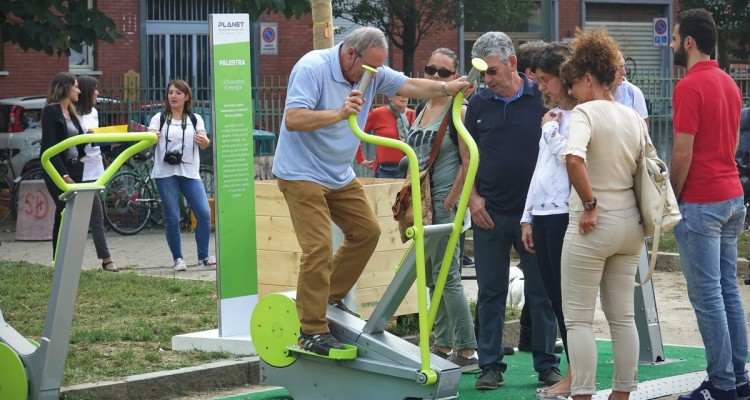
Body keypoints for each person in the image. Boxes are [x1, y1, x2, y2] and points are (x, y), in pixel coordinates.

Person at [271, 27, 470, 356]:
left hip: (337, 173)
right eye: (371, 67)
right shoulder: (312, 68)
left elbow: (410, 85)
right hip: (301, 172)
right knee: (318, 246)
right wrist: (338, 113)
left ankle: (330, 295)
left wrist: (447, 87)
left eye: (380, 67)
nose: (376, 74)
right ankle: (311, 328)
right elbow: (293, 119)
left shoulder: (371, 70)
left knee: (367, 231)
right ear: (351, 54)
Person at [465, 31, 561, 391]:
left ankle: (546, 364)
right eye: (482, 74)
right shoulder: (479, 104)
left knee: (541, 290)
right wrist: (473, 198)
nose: (487, 80)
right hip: (489, 213)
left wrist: (539, 211)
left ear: (512, 64)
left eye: (492, 72)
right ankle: (490, 365)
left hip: (534, 215)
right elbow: (467, 156)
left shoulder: (541, 99)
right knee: (490, 291)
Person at [559, 28, 646, 400]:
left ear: (589, 79)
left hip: (592, 223)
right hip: (631, 225)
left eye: (574, 84)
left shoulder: (584, 111)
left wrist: (590, 203)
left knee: (579, 319)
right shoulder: (630, 115)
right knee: (623, 317)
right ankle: (622, 394)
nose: (571, 91)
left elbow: (573, 158)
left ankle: (581, 394)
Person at [669, 9, 750, 400]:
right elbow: (732, 143)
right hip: (732, 195)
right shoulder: (730, 84)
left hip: (702, 201)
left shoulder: (688, 86)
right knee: (728, 292)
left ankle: (721, 385)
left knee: (708, 297)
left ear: (688, 42)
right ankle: (738, 377)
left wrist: (673, 194)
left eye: (674, 37)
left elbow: (682, 153)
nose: (670, 43)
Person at [404, 47, 477, 372]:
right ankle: (444, 343)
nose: (435, 77)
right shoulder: (422, 107)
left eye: (444, 73)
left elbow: (469, 158)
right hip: (423, 205)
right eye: (430, 70)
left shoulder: (457, 109)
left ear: (456, 77)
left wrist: (452, 200)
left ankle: (468, 350)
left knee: (447, 276)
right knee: (433, 277)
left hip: (445, 203)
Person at [518, 42, 577, 400]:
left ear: (564, 77)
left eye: (545, 80)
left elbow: (571, 160)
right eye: (537, 80)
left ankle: (576, 374)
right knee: (556, 299)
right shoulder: (553, 116)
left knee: (567, 301)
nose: (540, 87)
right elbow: (539, 171)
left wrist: (551, 130)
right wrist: (527, 217)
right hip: (542, 215)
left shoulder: (574, 117)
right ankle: (575, 373)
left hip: (563, 215)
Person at [147, 79, 215, 272]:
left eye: (178, 93)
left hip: (190, 173)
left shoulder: (195, 119)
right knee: (173, 217)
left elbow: (205, 141)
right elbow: (148, 137)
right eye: (170, 93)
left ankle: (203, 257)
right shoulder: (159, 118)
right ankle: (178, 259)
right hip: (165, 173)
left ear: (186, 96)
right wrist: (152, 137)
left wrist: (204, 140)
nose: (173, 96)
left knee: (203, 213)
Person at [513, 38, 549, 353]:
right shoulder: (535, 102)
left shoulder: (544, 102)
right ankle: (530, 336)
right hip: (526, 204)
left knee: (538, 280)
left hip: (534, 203)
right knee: (537, 277)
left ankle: (532, 337)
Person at [41, 72, 86, 259]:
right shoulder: (52, 111)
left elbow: (78, 140)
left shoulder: (72, 112)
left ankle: (70, 258)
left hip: (75, 166)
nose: (79, 90)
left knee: (73, 214)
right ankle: (58, 258)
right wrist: (63, 174)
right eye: (76, 86)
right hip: (59, 168)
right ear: (66, 87)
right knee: (64, 210)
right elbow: (49, 147)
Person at [75, 75, 118, 272]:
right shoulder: (72, 112)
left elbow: (98, 139)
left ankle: (104, 259)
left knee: (95, 217)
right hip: (80, 170)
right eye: (95, 89)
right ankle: (106, 259)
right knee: (89, 216)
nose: (98, 93)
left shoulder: (93, 111)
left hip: (96, 167)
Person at [355, 94, 415, 178]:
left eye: (406, 94)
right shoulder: (378, 114)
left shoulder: (414, 114)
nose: (404, 97)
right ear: (390, 96)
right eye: (399, 94)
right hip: (385, 170)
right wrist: (361, 159)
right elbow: (355, 132)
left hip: (411, 168)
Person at [613, 51, 649, 126]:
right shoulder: (594, 91)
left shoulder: (633, 92)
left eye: (624, 67)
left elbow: (644, 127)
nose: (623, 72)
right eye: (618, 68)